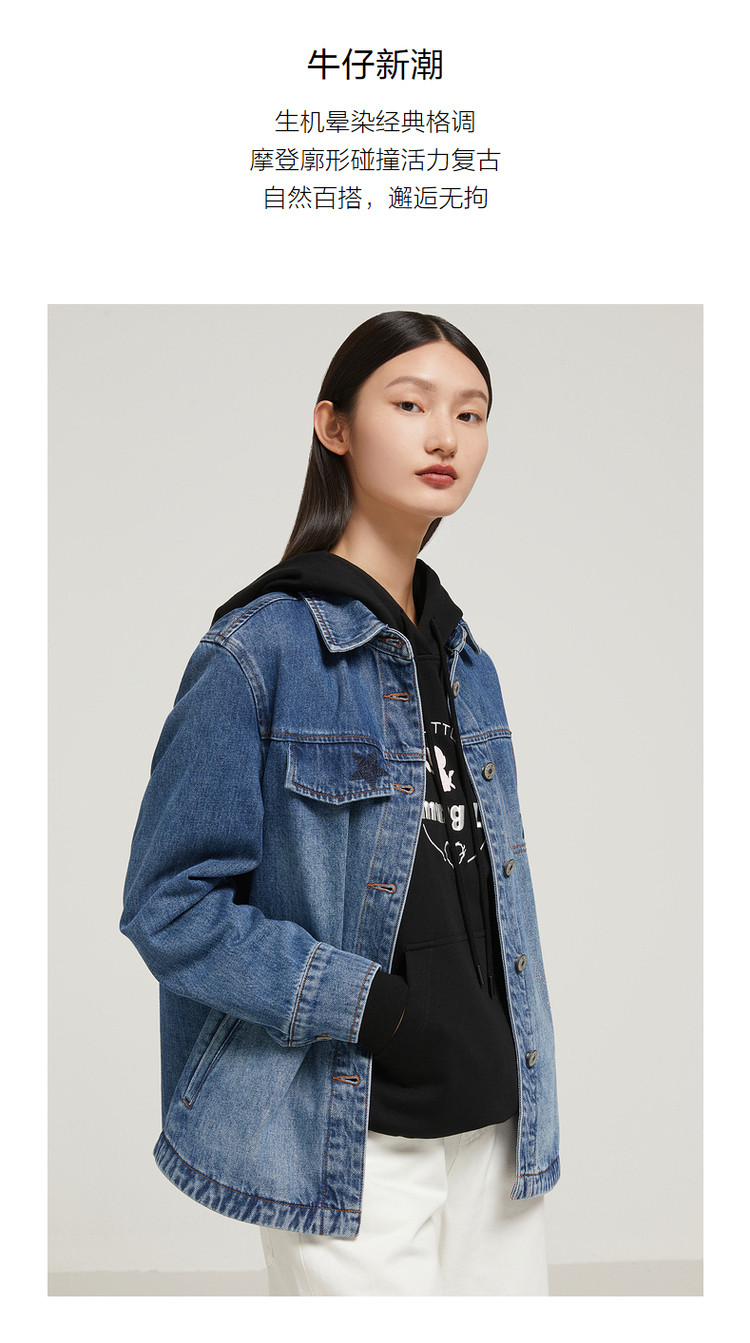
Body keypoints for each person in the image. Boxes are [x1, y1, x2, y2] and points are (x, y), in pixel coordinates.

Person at [120, 310, 560, 1296]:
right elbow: (168, 904)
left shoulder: (467, 658)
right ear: (335, 425)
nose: (446, 435)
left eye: (472, 413)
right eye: (410, 404)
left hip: (497, 1133)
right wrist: (372, 1006)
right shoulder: (261, 648)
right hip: (350, 1136)